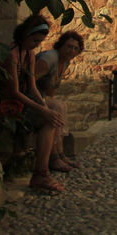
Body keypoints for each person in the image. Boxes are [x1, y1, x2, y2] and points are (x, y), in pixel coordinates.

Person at [0, 14, 64, 194]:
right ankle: (41, 173)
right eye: (35, 40)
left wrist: (43, 107)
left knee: (51, 115)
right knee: (47, 119)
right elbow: (14, 91)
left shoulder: (29, 55)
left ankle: (44, 170)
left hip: (21, 102)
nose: (36, 44)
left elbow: (33, 87)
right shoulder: (11, 55)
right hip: (7, 104)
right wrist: (41, 111)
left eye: (39, 41)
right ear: (25, 35)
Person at [35, 31, 84, 172]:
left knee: (59, 105)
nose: (71, 51)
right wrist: (44, 104)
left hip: (41, 98)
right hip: (30, 99)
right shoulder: (49, 58)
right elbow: (29, 81)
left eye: (75, 48)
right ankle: (55, 157)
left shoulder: (64, 62)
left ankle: (60, 154)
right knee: (56, 107)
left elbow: (51, 90)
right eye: (69, 46)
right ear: (60, 45)